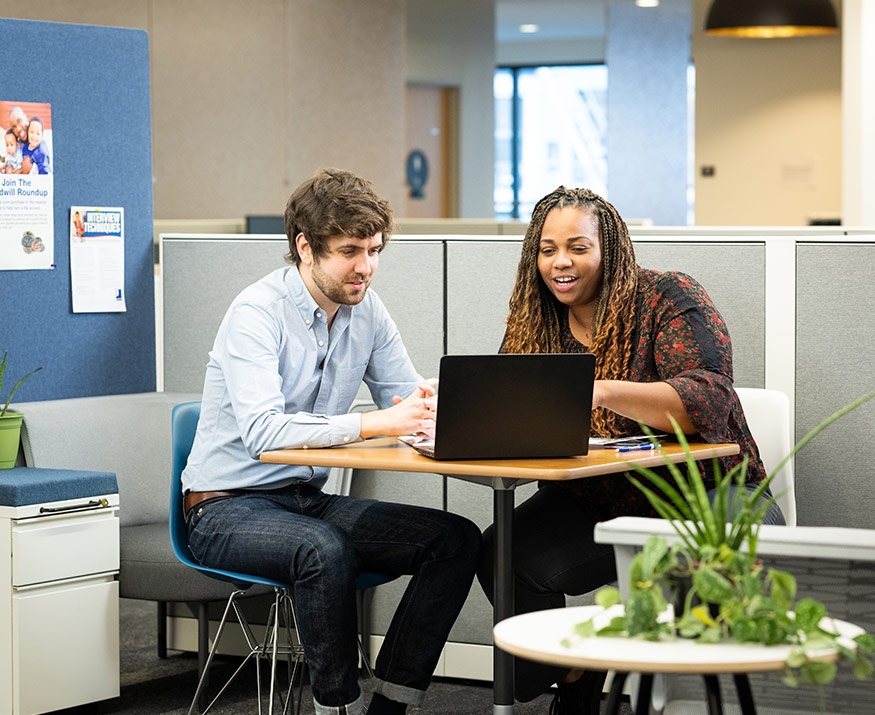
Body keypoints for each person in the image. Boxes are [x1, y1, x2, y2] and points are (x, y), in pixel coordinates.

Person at [181, 168, 481, 715]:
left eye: (373, 249)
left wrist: (444, 409)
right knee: (324, 549)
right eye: (349, 251)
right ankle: (335, 706)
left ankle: (390, 704)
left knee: (456, 540)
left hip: (304, 501)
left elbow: (402, 400)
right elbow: (265, 434)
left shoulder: (366, 308)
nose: (365, 266)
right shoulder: (256, 313)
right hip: (223, 510)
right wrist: (374, 424)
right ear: (305, 248)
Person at [476, 185, 785, 715]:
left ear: (610, 248)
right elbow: (516, 405)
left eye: (577, 246)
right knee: (500, 555)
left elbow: (707, 397)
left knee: (728, 568)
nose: (560, 263)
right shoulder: (537, 321)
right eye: (547, 250)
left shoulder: (668, 297)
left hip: (706, 494)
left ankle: (714, 700)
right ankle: (577, 677)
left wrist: (598, 388)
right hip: (604, 499)